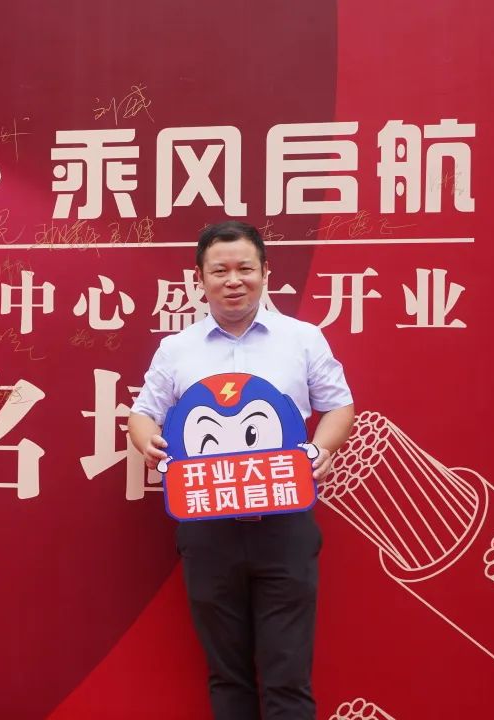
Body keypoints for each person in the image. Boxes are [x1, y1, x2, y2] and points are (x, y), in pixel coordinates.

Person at [128, 221, 355, 720]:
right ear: (200, 278)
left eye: (245, 268)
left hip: (284, 523)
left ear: (265, 271)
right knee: (226, 676)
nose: (234, 280)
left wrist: (319, 451)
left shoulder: (301, 339)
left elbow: (339, 406)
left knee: (287, 676)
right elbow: (142, 414)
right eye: (220, 270)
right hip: (208, 527)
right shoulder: (178, 348)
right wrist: (147, 442)